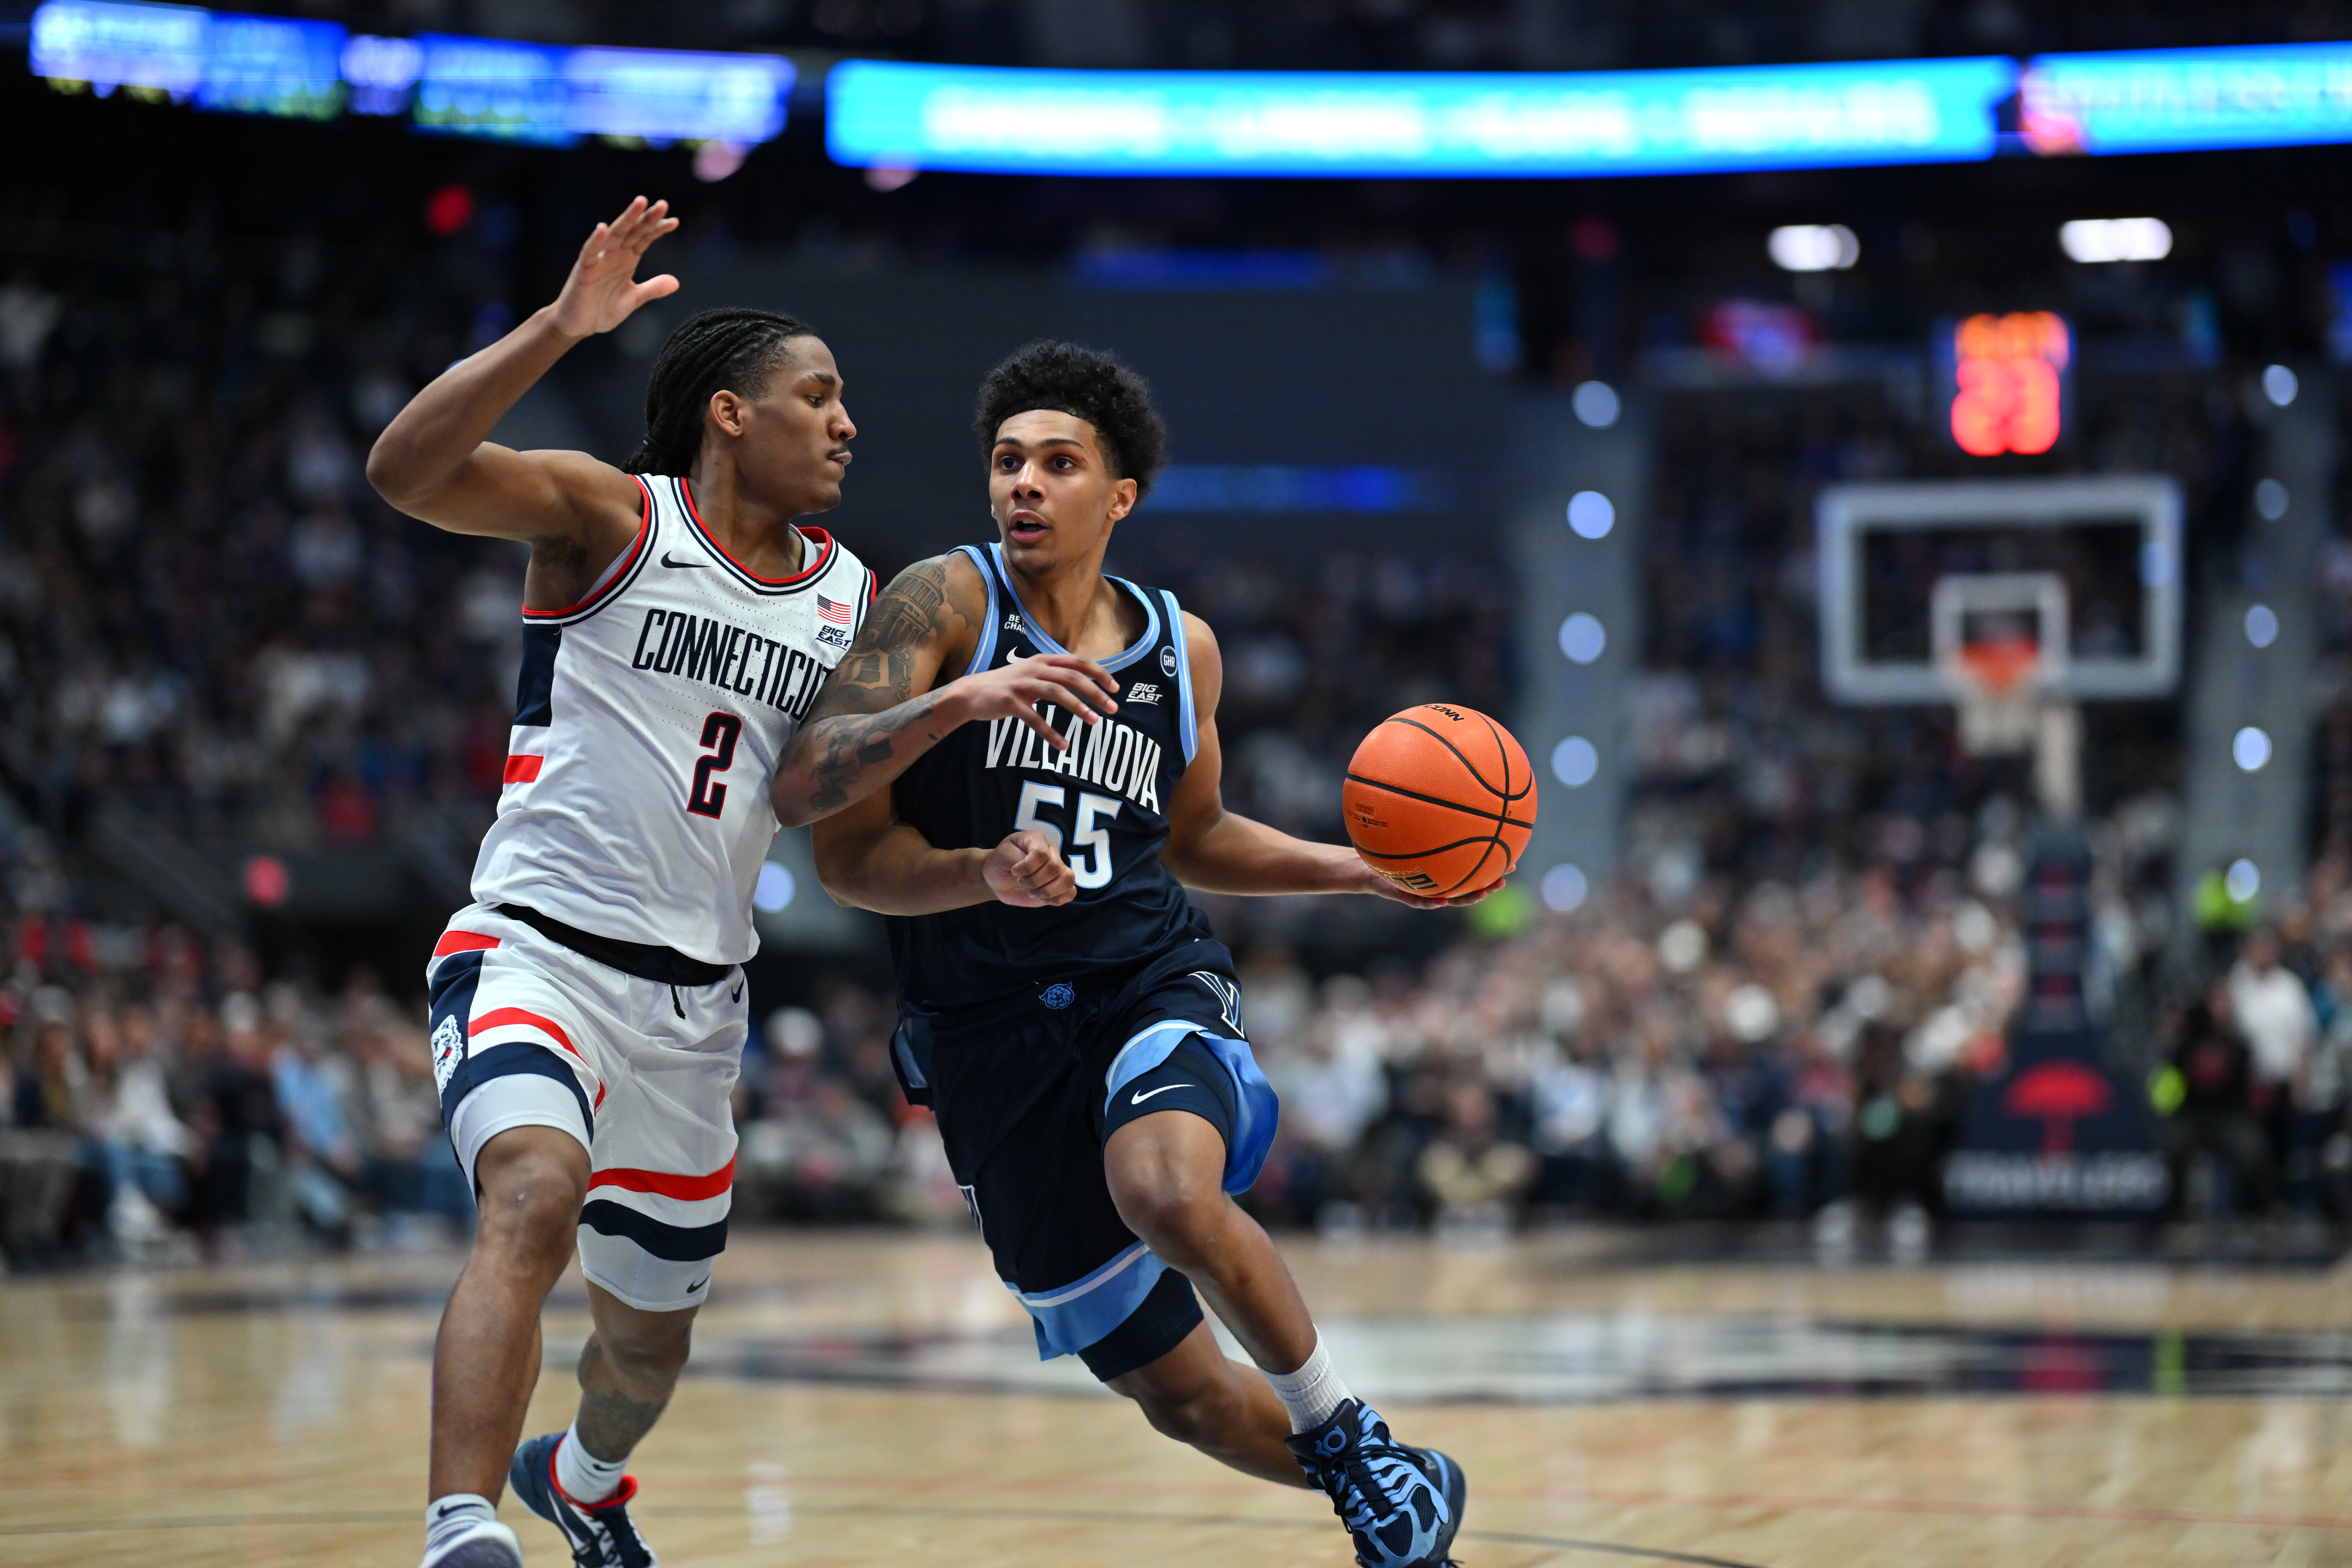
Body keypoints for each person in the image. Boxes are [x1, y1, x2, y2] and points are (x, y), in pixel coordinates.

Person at [368, 199, 1124, 1568]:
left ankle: (584, 1478)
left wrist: (969, 804)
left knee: (646, 1344)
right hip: (534, 948)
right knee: (531, 1196)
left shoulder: (854, 596)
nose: (847, 423)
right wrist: (558, 328)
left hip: (698, 1008)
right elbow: (405, 470)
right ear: (730, 413)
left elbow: (816, 799)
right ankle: (461, 1526)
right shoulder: (613, 515)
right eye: (817, 396)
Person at [786, 341, 1484, 1568]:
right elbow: (817, 810)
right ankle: (1386, 1477)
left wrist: (1351, 869)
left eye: (1060, 463)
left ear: (1120, 497)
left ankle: (1349, 1436)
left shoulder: (1179, 646)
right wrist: (966, 771)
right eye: (1008, 461)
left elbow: (1195, 836)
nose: (1025, 483)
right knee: (1188, 1399)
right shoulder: (941, 605)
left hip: (1143, 977)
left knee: (1164, 1188)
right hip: (983, 1032)